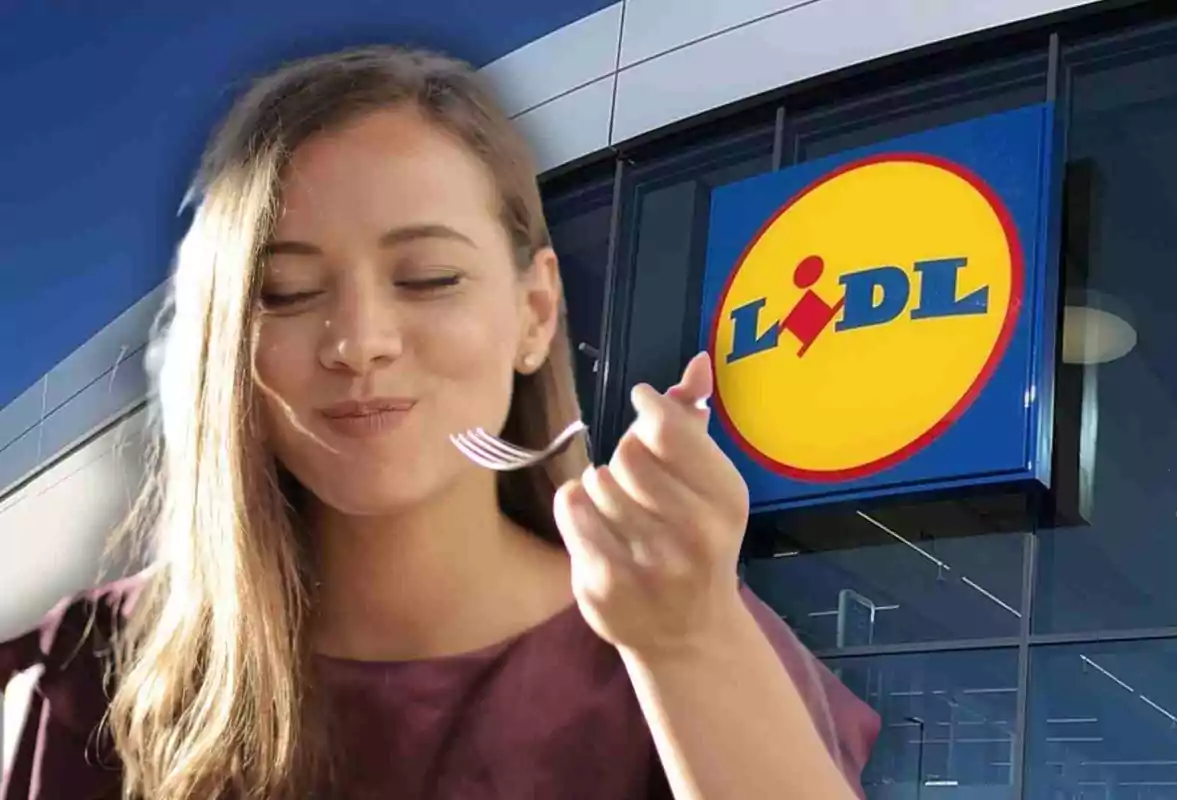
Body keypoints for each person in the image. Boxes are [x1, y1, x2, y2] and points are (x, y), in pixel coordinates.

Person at [0, 46, 880, 800]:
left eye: (427, 278)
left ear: (535, 313)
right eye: (289, 293)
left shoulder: (685, 629)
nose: (359, 343)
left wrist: (689, 644)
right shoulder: (105, 661)